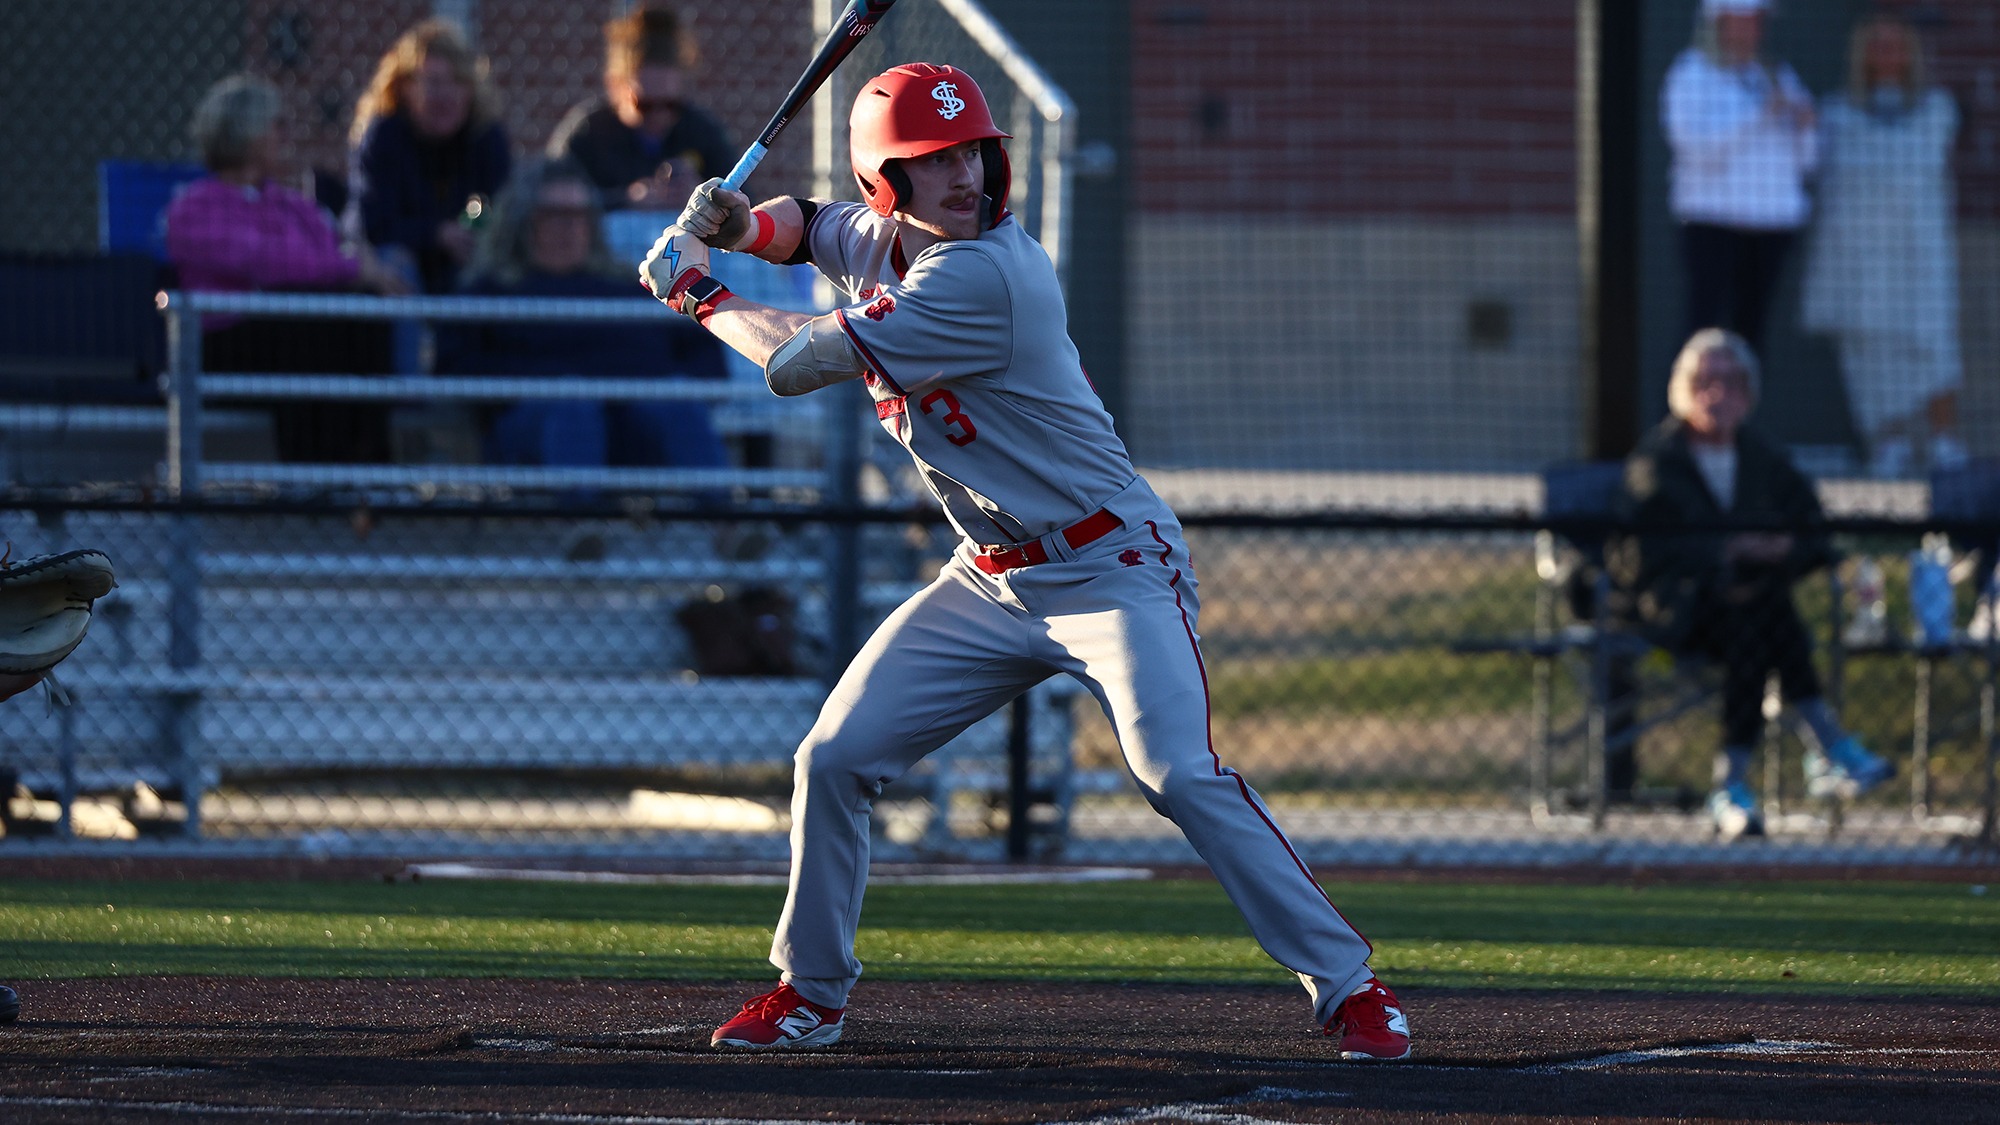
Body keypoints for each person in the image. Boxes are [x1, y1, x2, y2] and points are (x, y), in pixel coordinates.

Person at [640, 62, 1412, 1060]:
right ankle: (811, 993)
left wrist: (697, 289)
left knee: (1175, 771)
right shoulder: (879, 236)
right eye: (932, 160)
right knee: (831, 760)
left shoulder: (983, 274)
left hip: (1108, 563)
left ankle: (1349, 987)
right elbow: (810, 222)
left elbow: (792, 363)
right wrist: (742, 224)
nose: (963, 176)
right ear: (888, 182)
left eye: (972, 152)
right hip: (992, 575)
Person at [1607, 329, 1894, 840]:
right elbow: (1641, 554)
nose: (1718, 395)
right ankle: (1825, 745)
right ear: (1684, 390)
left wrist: (1783, 549)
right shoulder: (1658, 462)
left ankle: (1733, 786)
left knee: (1757, 622)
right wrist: (1727, 550)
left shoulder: (1763, 457)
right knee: (1761, 619)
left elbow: (1812, 528)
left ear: (1749, 391)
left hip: (1749, 613)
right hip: (1676, 611)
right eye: (1706, 382)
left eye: (1731, 382)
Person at [164, 74, 409, 463]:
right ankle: (311, 471)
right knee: (304, 318)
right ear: (246, 132)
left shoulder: (292, 205)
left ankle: (368, 463)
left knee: (357, 307)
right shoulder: (194, 209)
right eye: (276, 125)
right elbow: (267, 263)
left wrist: (353, 270)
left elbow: (323, 257)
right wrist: (350, 266)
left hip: (296, 332)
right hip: (231, 337)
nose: (285, 135)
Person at [434, 157, 729, 470]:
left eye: (579, 215)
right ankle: (578, 517)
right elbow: (456, 366)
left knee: (680, 411)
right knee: (574, 412)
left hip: (636, 420)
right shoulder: (491, 290)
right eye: (554, 215)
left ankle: (718, 517)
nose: (569, 227)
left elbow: (707, 362)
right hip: (538, 425)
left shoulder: (632, 287)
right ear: (522, 221)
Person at [1802, 13, 1963, 478]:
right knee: (1873, 353)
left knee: (1934, 345)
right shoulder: (1835, 113)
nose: (1887, 55)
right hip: (1862, 261)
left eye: (1896, 45)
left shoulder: (1936, 110)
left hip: (1919, 256)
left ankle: (1944, 441)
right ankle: (1887, 440)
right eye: (1878, 45)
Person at [1662, 0, 1818, 360]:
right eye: (1741, 21)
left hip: (1772, 225)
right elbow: (1695, 149)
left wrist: (1807, 126)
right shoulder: (1691, 73)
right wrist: (1759, 115)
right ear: (1717, 23)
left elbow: (1807, 161)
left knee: (1751, 335)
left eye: (1756, 22)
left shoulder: (1777, 74)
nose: (1751, 31)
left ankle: (1740, 416)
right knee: (1703, 332)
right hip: (1712, 224)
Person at [345, 18, 511, 295]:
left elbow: (487, 200)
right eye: (433, 83)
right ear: (406, 87)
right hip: (399, 258)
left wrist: (467, 228)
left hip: (459, 261)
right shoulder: (384, 137)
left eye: (458, 83)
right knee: (395, 265)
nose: (446, 96)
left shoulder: (484, 137)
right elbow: (374, 222)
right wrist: (436, 234)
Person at [547, 4, 734, 214]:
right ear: (616, 86)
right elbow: (549, 199)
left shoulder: (701, 132)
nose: (659, 115)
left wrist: (706, 197)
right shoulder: (589, 132)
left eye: (671, 105)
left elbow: (742, 207)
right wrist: (625, 200)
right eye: (645, 105)